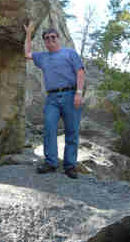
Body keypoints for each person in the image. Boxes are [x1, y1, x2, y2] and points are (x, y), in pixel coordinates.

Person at [24, 21, 85, 179]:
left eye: (53, 37)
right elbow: (27, 53)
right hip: (52, 97)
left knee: (72, 131)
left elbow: (80, 72)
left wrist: (79, 93)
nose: (50, 40)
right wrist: (29, 34)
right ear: (44, 41)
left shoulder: (69, 53)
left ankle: (70, 165)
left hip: (71, 95)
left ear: (58, 38)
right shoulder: (42, 57)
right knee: (49, 128)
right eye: (47, 38)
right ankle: (51, 162)